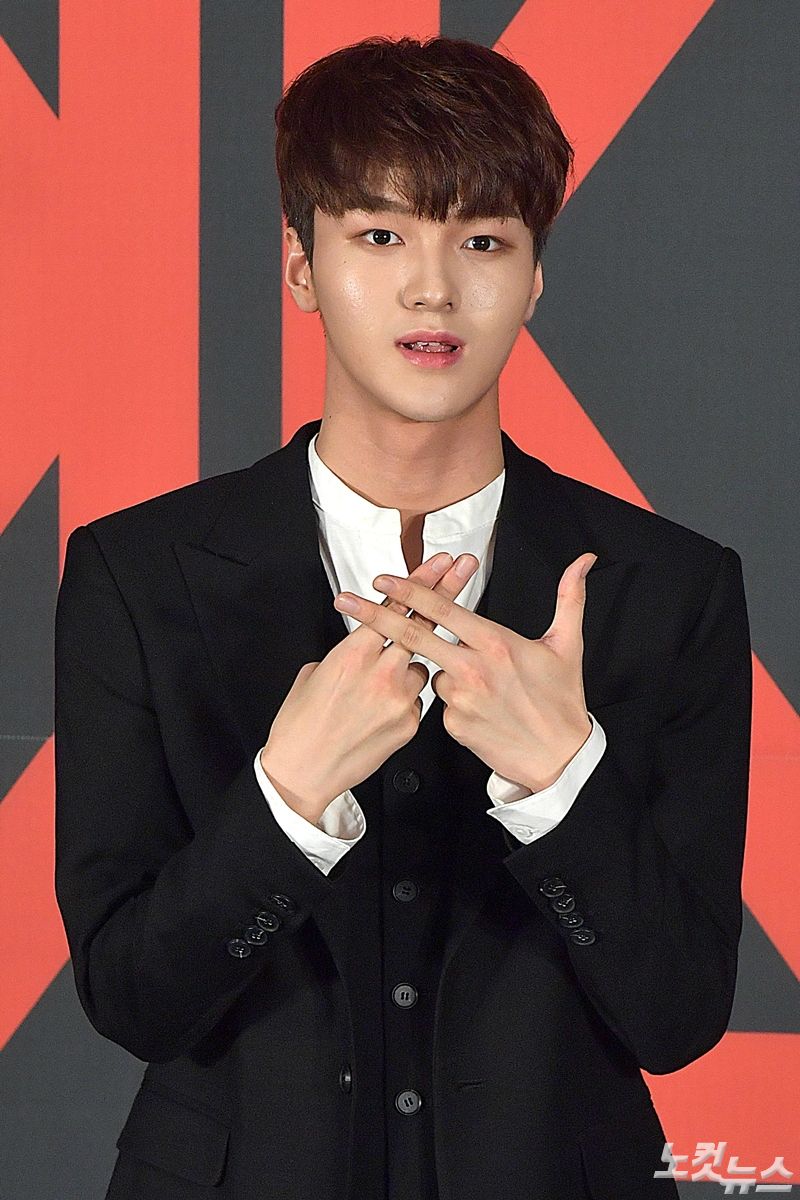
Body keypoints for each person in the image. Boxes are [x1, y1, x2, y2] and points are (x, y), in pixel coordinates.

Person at [54, 34, 752, 1200]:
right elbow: (131, 999)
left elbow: (678, 1018)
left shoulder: (667, 588)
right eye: (379, 236)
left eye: (481, 241)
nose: (432, 289)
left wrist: (561, 781)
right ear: (300, 265)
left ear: (534, 276)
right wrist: (285, 798)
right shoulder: (136, 574)